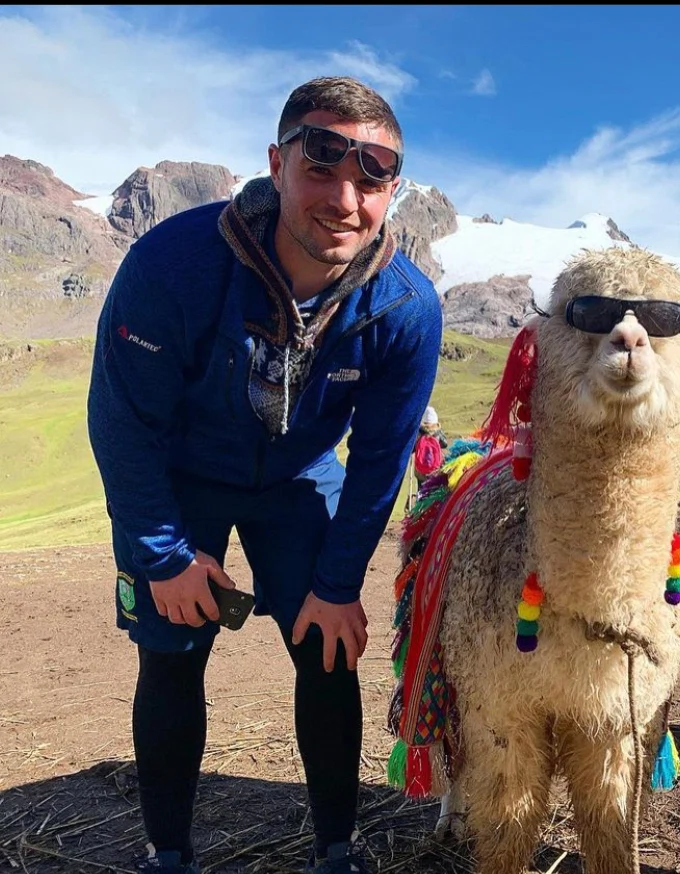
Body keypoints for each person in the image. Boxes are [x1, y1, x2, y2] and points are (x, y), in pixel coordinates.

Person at [87, 76, 443, 874]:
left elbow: (379, 461)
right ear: (277, 165)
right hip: (182, 473)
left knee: (328, 646)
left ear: (393, 190)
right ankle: (168, 855)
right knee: (172, 649)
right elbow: (122, 424)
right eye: (321, 167)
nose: (345, 200)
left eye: (371, 178)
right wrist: (164, 557)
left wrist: (338, 583)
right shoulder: (171, 265)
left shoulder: (406, 308)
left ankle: (338, 852)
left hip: (298, 475)